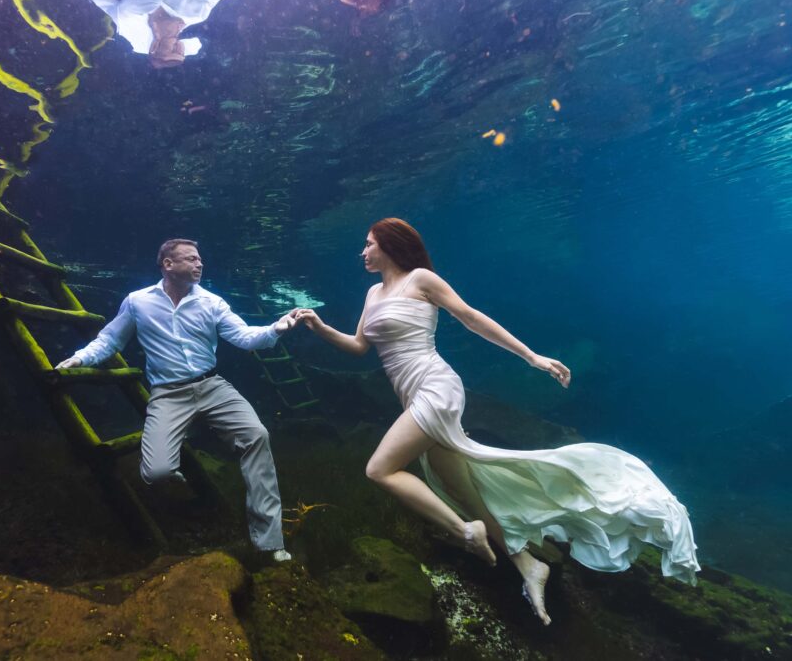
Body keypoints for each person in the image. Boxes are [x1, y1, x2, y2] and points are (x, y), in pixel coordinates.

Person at [293, 218, 699, 625]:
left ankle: (465, 533)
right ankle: (527, 565)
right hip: (413, 397)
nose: (362, 252)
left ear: (389, 245)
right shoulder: (372, 294)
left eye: (368, 244)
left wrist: (531, 357)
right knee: (465, 491)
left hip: (436, 387)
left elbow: (471, 317)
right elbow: (360, 346)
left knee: (379, 469)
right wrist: (320, 326)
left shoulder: (420, 279)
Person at [56, 239, 296, 562]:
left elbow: (243, 337)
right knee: (155, 473)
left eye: (200, 259)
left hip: (212, 386)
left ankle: (270, 542)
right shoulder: (138, 302)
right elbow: (110, 339)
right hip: (168, 394)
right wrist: (79, 358)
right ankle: (173, 475)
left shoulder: (212, 302)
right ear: (168, 264)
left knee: (257, 436)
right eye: (191, 259)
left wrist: (276, 329)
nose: (200, 264)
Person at [76, 0, 272, 67]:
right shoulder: (195, 14)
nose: (180, 42)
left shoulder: (130, 18)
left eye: (174, 48)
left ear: (155, 44)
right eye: (182, 50)